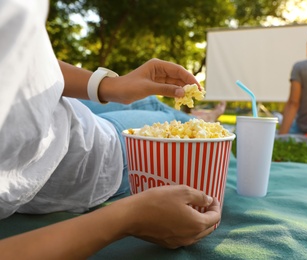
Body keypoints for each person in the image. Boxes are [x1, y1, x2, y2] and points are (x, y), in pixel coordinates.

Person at [0, 0, 222, 258]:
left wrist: (109, 87)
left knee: (147, 99)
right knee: (179, 121)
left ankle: (200, 113)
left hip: (46, 102)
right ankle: (203, 116)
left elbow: (23, 56)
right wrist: (126, 218)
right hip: (71, 154)